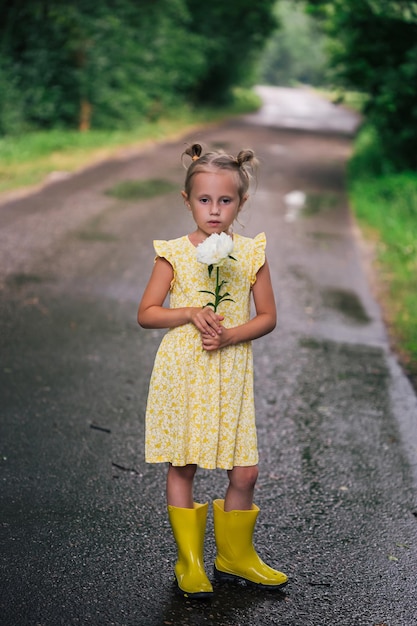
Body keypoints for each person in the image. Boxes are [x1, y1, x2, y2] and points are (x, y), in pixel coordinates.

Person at [137, 143, 288, 598]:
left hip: (230, 372)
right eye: (204, 200)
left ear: (240, 202)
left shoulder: (251, 253)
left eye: (225, 200)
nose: (215, 210)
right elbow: (147, 312)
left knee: (245, 472)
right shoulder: (173, 254)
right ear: (187, 201)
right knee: (182, 464)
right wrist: (187, 312)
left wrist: (230, 335)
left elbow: (267, 317)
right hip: (183, 371)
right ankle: (190, 562)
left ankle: (235, 557)